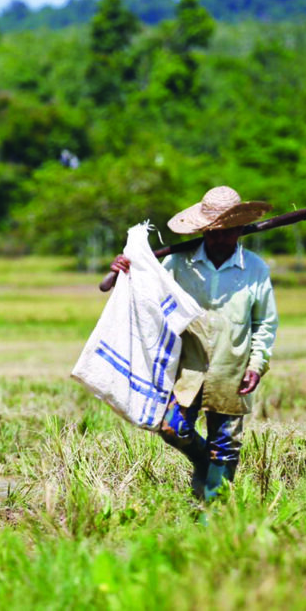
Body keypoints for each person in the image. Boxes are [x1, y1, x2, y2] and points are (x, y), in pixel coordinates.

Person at [110, 186, 278, 500]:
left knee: (225, 444)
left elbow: (265, 323)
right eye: (210, 232)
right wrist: (128, 268)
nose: (216, 239)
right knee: (173, 428)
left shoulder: (255, 268)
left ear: (239, 230)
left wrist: (257, 365)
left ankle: (211, 513)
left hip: (233, 366)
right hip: (188, 367)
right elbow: (148, 293)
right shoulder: (178, 263)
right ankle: (203, 462)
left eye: (225, 233)